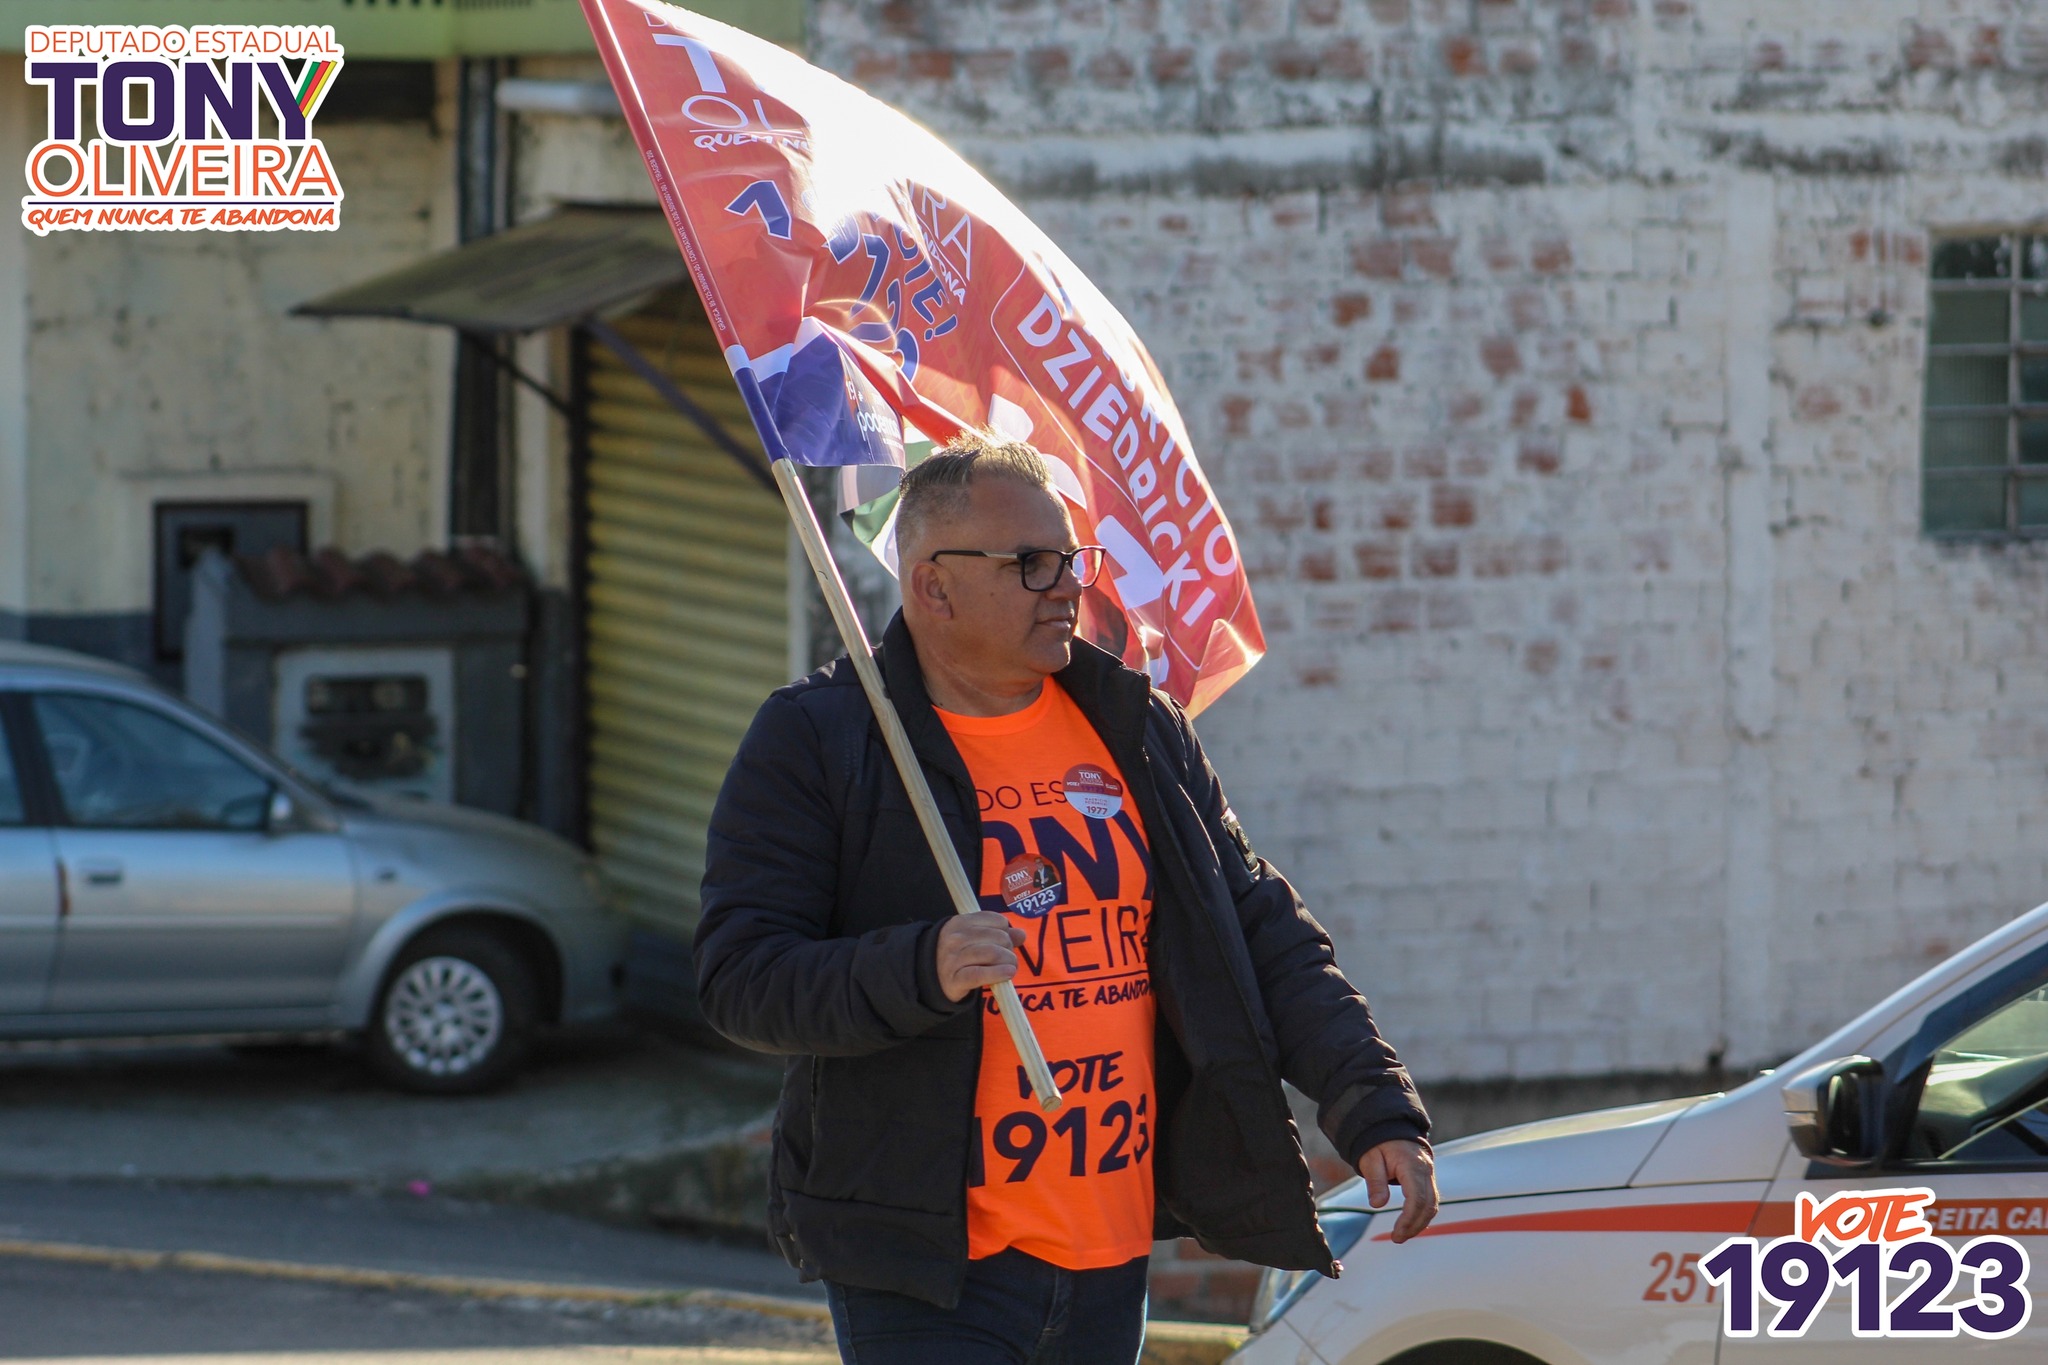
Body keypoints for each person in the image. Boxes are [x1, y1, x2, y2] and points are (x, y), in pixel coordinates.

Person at [695, 433, 1438, 1364]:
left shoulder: (1133, 724)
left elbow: (1261, 928)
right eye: (1032, 563)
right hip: (929, 1263)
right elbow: (741, 977)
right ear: (933, 586)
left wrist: (1372, 1105)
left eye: (1070, 560)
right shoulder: (822, 737)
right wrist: (921, 965)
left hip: (1106, 1248)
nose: (1067, 586)